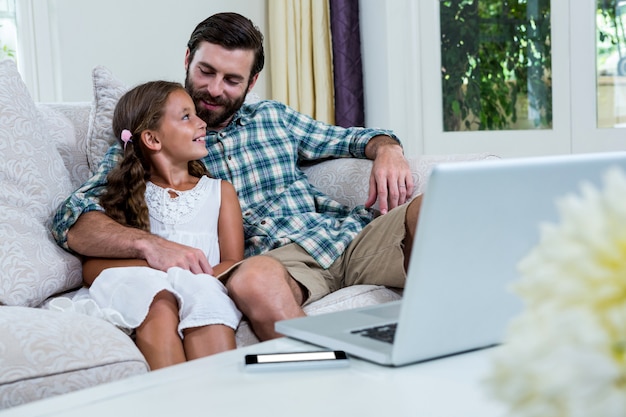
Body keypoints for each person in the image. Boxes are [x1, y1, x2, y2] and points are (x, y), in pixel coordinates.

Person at [51, 12, 421, 342]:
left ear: (252, 80)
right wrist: (148, 246)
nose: (214, 90)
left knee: (435, 207)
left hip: (346, 238)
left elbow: (352, 138)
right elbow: (72, 217)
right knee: (254, 279)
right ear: (187, 59)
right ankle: (324, 386)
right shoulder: (155, 141)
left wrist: (387, 148)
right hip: (276, 265)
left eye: (231, 79)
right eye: (206, 71)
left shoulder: (274, 118)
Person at [66, 80, 244, 370]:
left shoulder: (220, 192)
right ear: (152, 139)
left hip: (205, 281)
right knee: (157, 299)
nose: (202, 123)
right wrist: (165, 272)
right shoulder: (130, 192)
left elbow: (234, 261)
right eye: (186, 117)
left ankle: (220, 398)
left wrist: (190, 278)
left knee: (206, 296)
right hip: (145, 287)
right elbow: (93, 268)